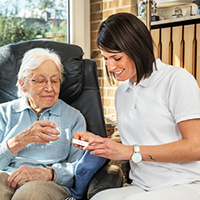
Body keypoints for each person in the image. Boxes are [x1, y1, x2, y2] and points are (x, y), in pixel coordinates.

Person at [72, 12, 200, 200]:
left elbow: (196, 147)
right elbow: (137, 143)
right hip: (143, 185)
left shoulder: (176, 79)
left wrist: (130, 151)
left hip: (185, 183)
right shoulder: (122, 92)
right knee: (99, 198)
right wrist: (99, 143)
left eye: (116, 58)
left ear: (137, 49)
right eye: (105, 58)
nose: (109, 66)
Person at [0, 48, 86, 200]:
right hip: (6, 176)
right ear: (23, 84)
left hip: (47, 183)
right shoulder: (3, 113)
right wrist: (20, 140)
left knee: (30, 195)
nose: (50, 88)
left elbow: (79, 167)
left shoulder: (74, 118)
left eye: (54, 80)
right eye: (40, 81)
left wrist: (49, 173)